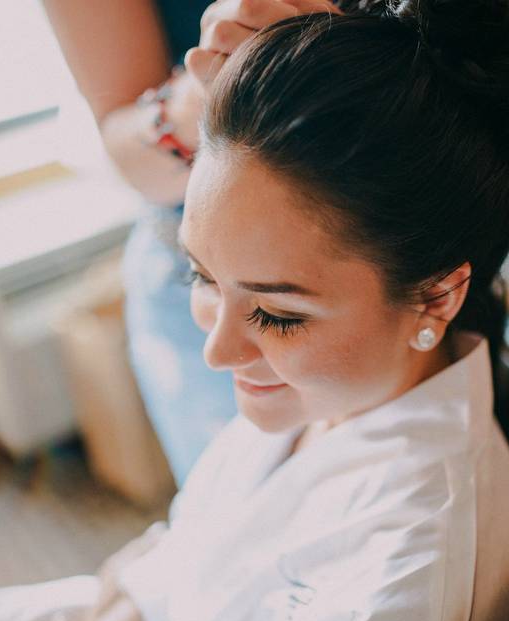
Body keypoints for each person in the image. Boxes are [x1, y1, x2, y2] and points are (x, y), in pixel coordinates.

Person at [0, 0, 509, 621]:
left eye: (279, 314)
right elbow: (172, 579)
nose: (216, 352)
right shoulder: (318, 396)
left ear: (437, 297)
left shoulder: (396, 589)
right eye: (201, 276)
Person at [43, 0, 337, 485]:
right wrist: (203, 97)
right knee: (237, 514)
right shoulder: (220, 328)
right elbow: (125, 151)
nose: (219, 353)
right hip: (203, 266)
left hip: (391, 250)